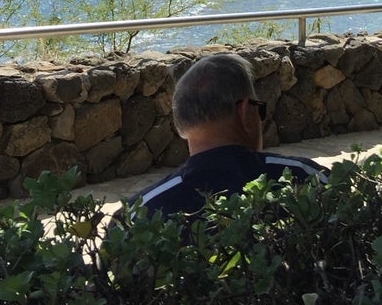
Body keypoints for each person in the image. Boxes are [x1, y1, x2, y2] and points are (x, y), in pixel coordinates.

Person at [130, 52, 326, 220]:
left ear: (181, 124)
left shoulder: (138, 214)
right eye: (258, 108)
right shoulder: (309, 180)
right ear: (243, 111)